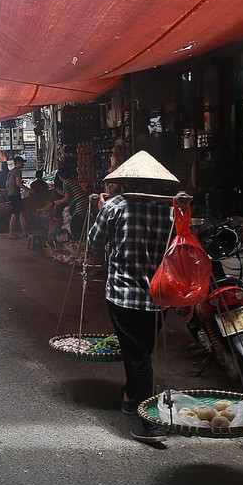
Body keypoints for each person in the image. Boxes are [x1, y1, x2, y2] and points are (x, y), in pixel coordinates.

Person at [87, 150, 180, 446]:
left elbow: (93, 242)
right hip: (160, 295)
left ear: (126, 182)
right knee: (141, 350)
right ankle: (130, 397)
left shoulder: (116, 206)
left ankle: (150, 424)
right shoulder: (171, 211)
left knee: (137, 354)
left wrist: (102, 209)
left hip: (124, 295)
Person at [52, 168, 90, 242]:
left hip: (80, 205)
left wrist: (57, 202)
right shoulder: (73, 182)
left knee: (75, 225)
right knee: (80, 224)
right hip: (85, 203)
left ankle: (79, 243)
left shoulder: (66, 183)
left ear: (60, 176)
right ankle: (82, 242)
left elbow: (67, 198)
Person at [5, 156, 27, 238]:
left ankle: (25, 231)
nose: (23, 165)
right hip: (15, 195)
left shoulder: (10, 172)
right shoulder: (18, 172)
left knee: (22, 212)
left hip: (11, 195)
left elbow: (6, 185)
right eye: (22, 163)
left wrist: (10, 190)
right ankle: (11, 233)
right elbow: (18, 183)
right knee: (15, 214)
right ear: (18, 163)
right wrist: (28, 189)